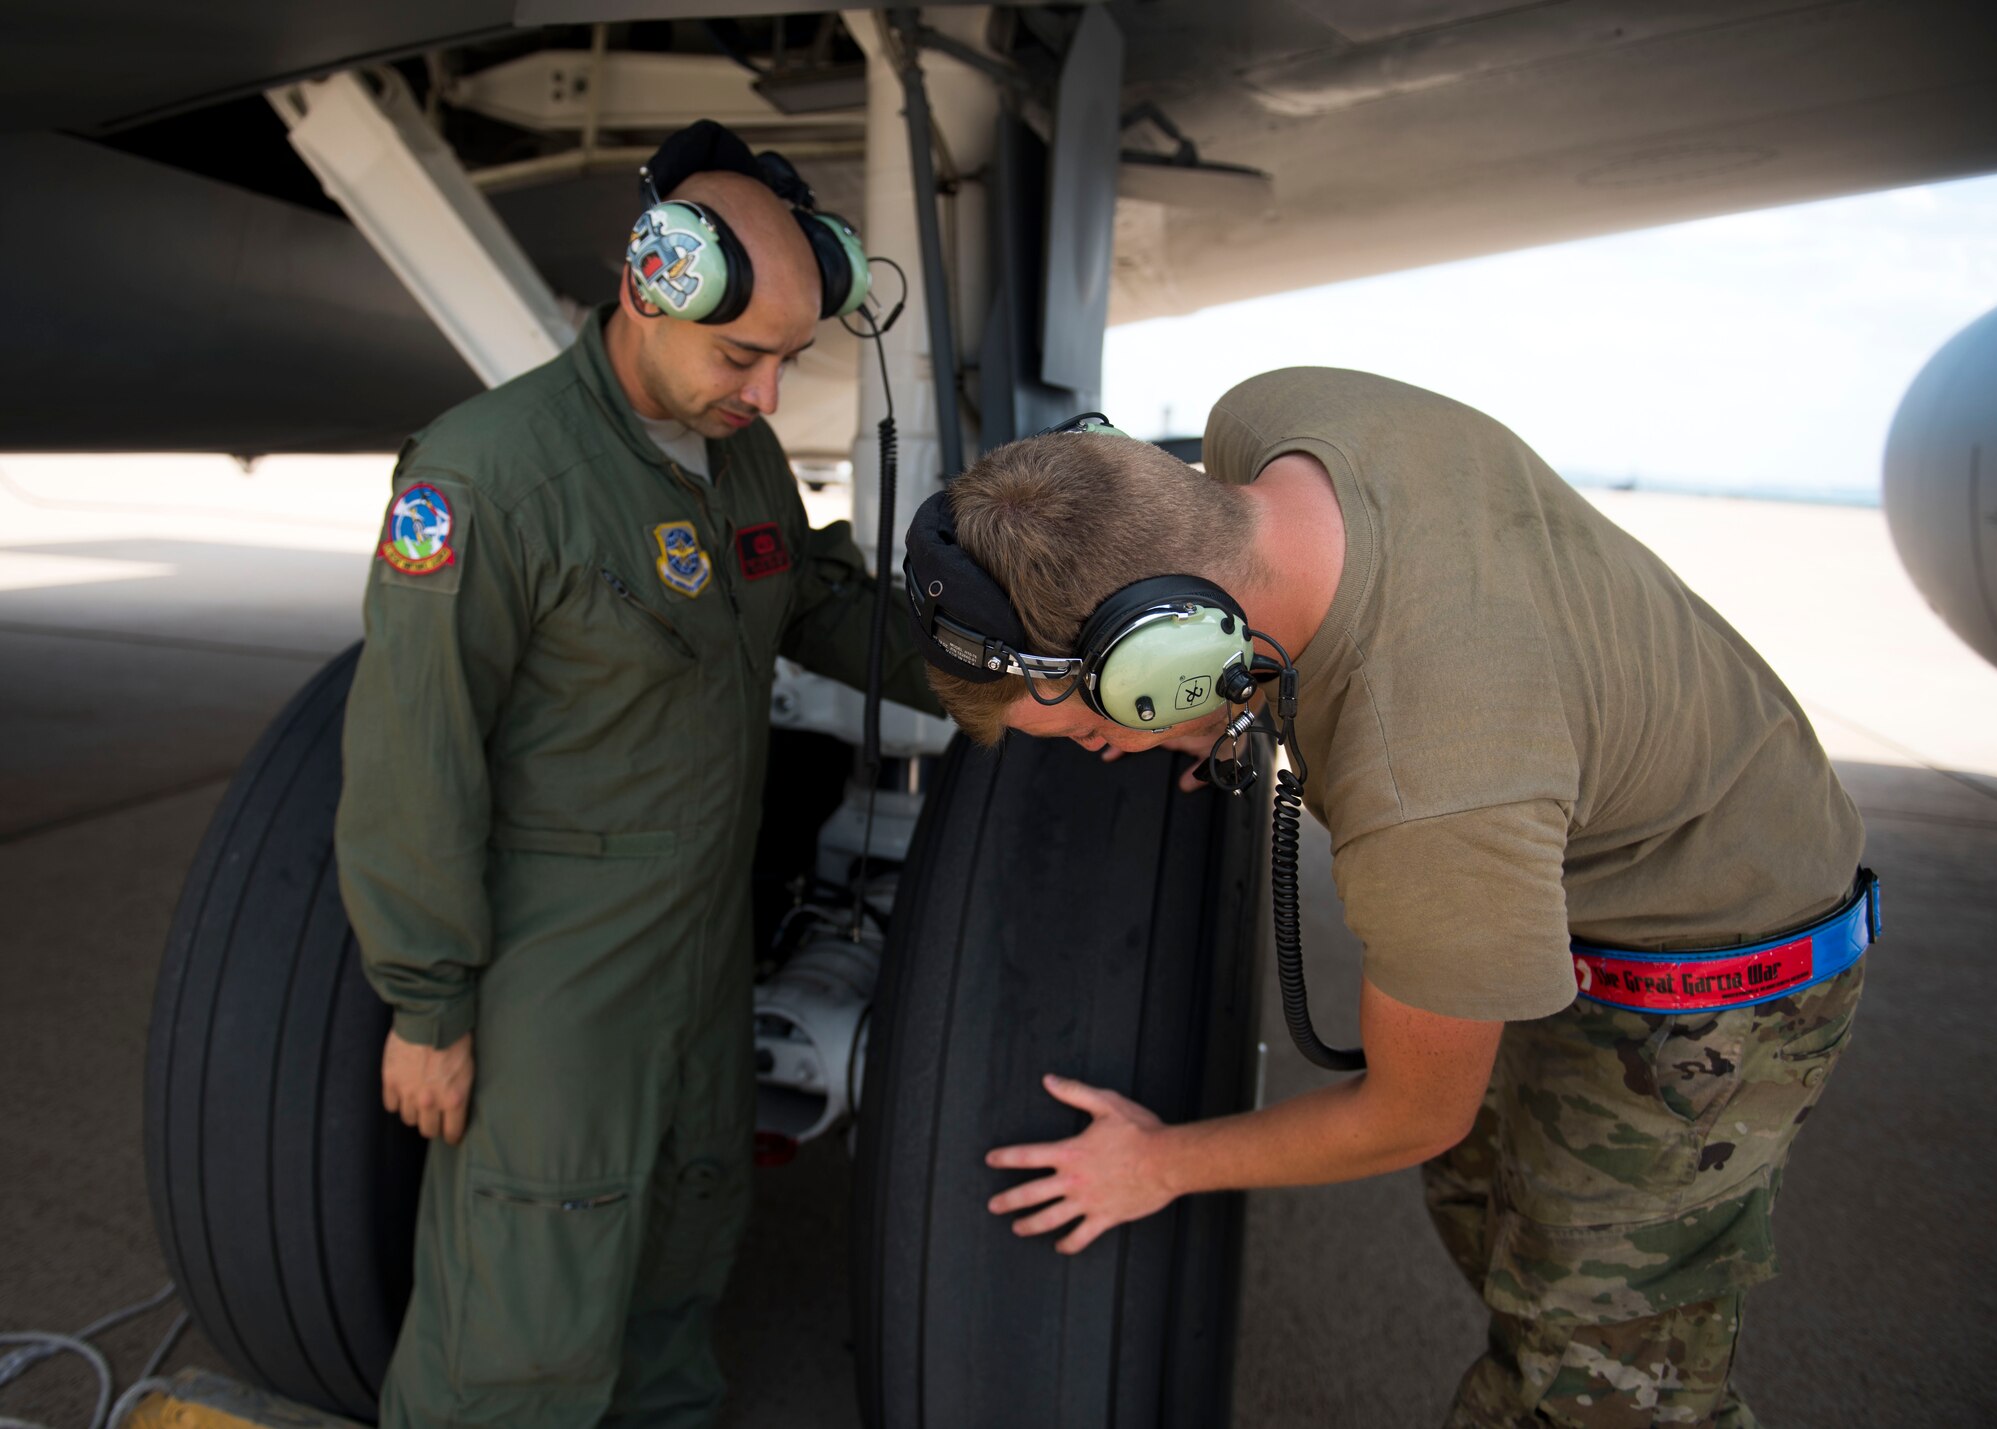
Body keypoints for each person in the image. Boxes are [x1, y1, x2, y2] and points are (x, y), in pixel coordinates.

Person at [903, 371, 1874, 1427]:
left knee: (1600, 1371)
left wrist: (1157, 1163)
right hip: (1581, 818)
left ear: (1171, 658)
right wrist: (1233, 708)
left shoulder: (1428, 792)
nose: (1104, 752)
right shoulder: (1278, 415)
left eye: (1099, 725)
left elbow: (1409, 1114)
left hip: (1712, 954)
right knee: (1491, 1211)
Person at [335, 121, 934, 1428]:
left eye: (788, 360)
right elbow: (410, 754)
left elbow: (814, 597)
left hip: (699, 953)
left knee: (676, 1272)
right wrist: (429, 1004)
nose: (770, 395)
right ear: (647, 291)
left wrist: (1005, 690)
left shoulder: (737, 457)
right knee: (519, 1333)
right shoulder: (488, 477)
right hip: (560, 974)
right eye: (743, 357)